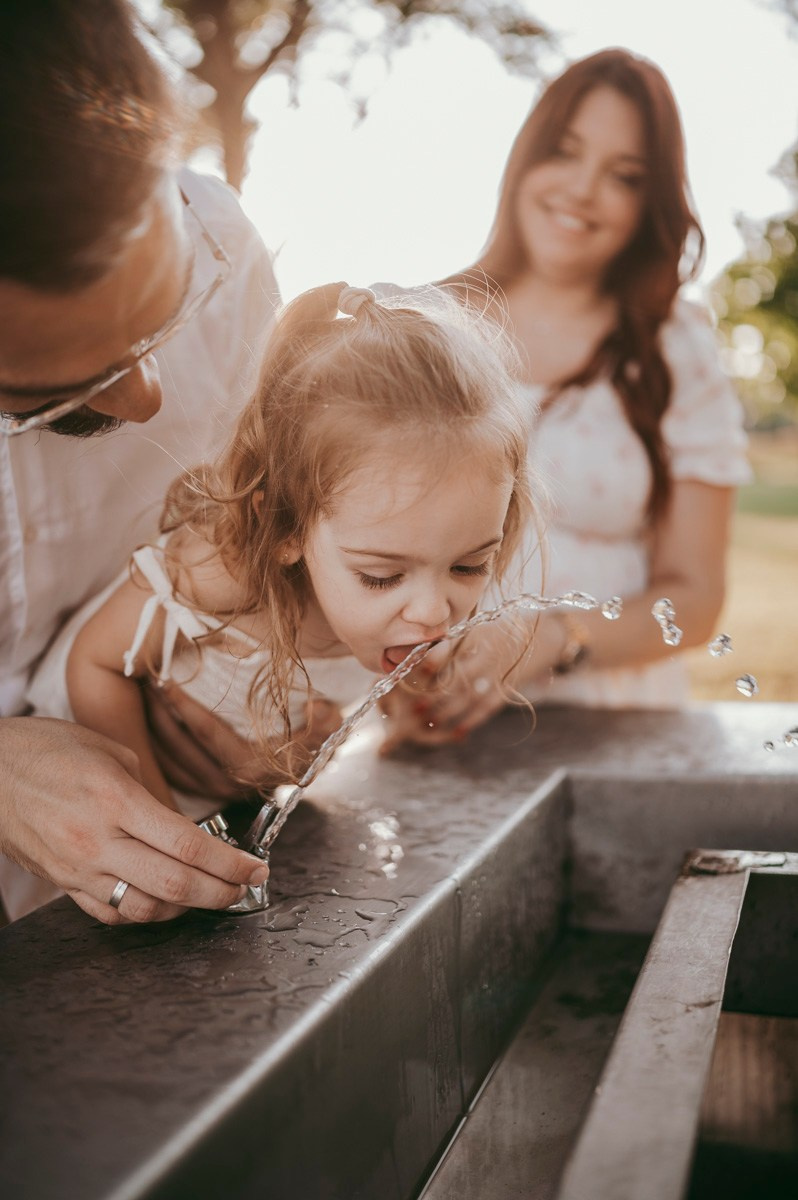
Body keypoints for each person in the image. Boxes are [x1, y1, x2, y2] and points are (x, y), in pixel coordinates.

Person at [10, 281, 536, 921]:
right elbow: (95, 664)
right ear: (285, 526)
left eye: (468, 565)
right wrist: (162, 827)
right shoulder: (222, 573)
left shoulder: (402, 582)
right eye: (379, 576)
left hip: (215, 801)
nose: (433, 611)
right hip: (72, 798)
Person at [0, 0, 283, 923]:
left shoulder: (225, 247)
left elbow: (259, 533)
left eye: (165, 316)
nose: (145, 400)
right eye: (47, 398)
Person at [387, 48, 750, 743]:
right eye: (566, 152)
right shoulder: (424, 326)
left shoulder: (675, 349)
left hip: (614, 727)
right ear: (526, 159)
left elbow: (696, 601)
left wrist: (550, 639)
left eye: (624, 176)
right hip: (432, 728)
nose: (582, 190)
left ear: (650, 203)